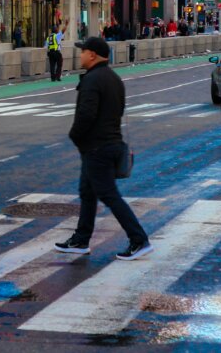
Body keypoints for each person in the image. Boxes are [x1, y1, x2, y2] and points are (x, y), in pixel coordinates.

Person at [55, 37, 152, 261]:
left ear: (92, 55)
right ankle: (81, 239)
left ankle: (139, 240)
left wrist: (75, 136)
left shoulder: (92, 80)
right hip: (110, 143)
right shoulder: (114, 78)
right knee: (88, 193)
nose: (80, 55)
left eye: (83, 52)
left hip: (97, 148)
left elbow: (86, 115)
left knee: (109, 196)